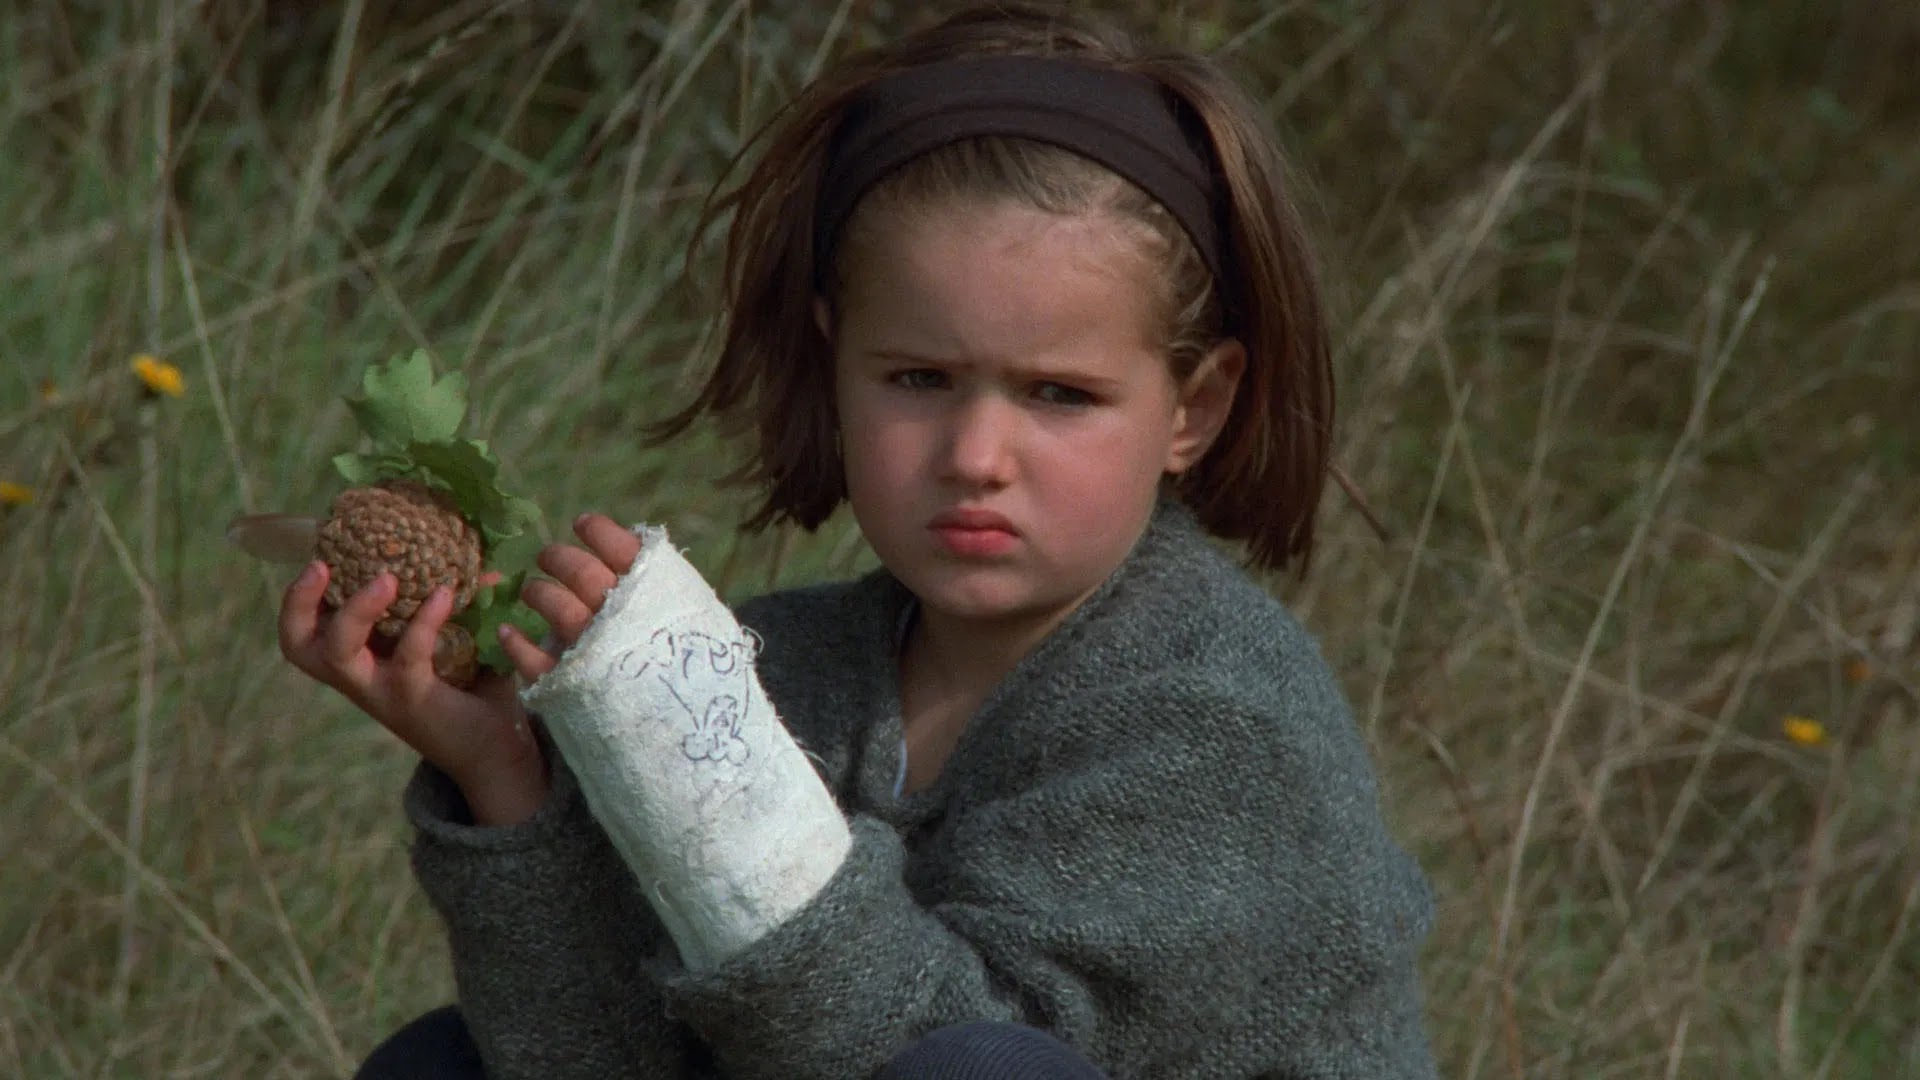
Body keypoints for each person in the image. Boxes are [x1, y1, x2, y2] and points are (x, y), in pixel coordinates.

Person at [277, 3, 1439, 1077]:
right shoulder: (793, 671)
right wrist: (508, 777)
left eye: (1061, 395)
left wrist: (717, 780)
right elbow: (607, 1062)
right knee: (442, 1065)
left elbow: (944, 1051)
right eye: (919, 378)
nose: (977, 454)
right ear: (836, 361)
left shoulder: (1218, 721)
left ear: (1195, 407)